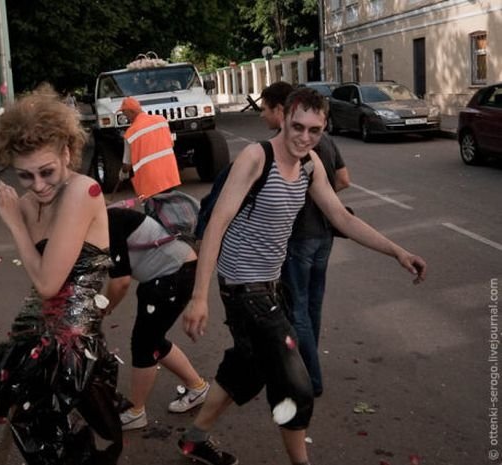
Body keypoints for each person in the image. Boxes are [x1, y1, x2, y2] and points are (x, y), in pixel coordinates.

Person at [178, 87, 426, 465]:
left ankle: (194, 440)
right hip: (244, 290)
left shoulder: (310, 163)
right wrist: (200, 296)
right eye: (298, 127)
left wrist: (397, 251)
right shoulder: (256, 158)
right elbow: (217, 224)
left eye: (315, 130)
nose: (305, 137)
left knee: (245, 368)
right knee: (297, 385)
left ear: (324, 128)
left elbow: (340, 217)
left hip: (273, 286)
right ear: (284, 117)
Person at [0, 85, 122, 465]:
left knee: (75, 451)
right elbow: (40, 279)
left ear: (67, 152)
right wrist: (23, 216)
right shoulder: (32, 204)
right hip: (37, 343)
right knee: (41, 446)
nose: (38, 185)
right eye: (25, 176)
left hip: (75, 353)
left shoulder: (83, 191)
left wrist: (15, 225)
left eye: (46, 171)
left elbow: (48, 283)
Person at [262, 82, 352, 397]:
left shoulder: (284, 149)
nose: (304, 134)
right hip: (323, 237)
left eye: (266, 108)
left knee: (297, 309)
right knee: (312, 306)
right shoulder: (324, 142)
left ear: (281, 110)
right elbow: (344, 180)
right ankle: (307, 361)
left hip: (298, 239)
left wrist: (301, 198)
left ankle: (309, 378)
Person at [104, 206, 209, 431]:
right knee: (152, 339)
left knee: (143, 344)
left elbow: (120, 282)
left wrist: (104, 308)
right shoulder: (106, 217)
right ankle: (197, 387)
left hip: (172, 275)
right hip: (170, 274)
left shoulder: (108, 223)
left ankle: (136, 412)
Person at [118, 97, 181, 199]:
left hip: (149, 183)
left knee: (153, 213)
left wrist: (123, 173)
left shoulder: (130, 134)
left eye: (125, 113)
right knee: (171, 210)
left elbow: (127, 164)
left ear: (131, 112)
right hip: (169, 176)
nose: (125, 116)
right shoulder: (161, 121)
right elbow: (170, 144)